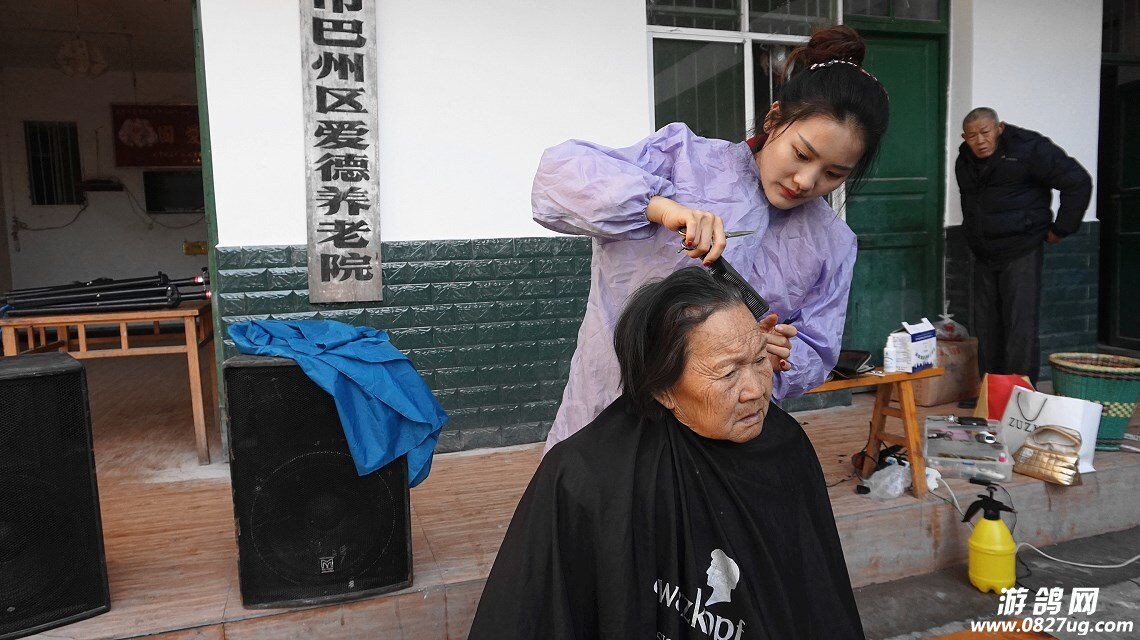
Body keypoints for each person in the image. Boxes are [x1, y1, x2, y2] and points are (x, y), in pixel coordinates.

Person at [535, 26, 890, 453]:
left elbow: (816, 349)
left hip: (718, 440)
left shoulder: (832, 242)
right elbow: (559, 176)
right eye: (801, 154)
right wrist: (659, 207)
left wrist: (778, 354)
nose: (806, 181)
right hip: (608, 406)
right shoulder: (683, 160)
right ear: (774, 120)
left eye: (834, 173)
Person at [468, 268, 865, 639]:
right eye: (728, 372)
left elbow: (815, 594)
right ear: (662, 389)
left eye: (760, 360)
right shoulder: (586, 475)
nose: (756, 390)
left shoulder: (785, 447)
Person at [955, 108, 1092, 384]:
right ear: (964, 138)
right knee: (986, 327)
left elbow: (1077, 181)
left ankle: (1020, 393)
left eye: (985, 132)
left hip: (1021, 249)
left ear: (999, 128)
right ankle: (991, 392)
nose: (980, 141)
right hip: (984, 253)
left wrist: (1062, 228)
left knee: (1020, 326)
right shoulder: (965, 160)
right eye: (972, 136)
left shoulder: (1029, 148)